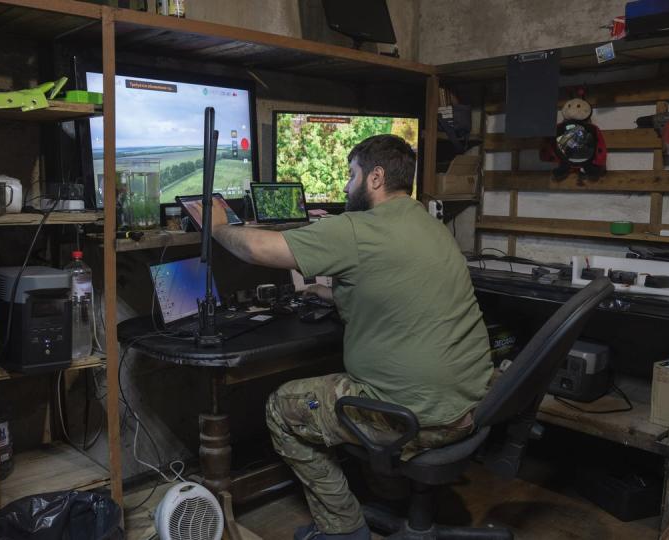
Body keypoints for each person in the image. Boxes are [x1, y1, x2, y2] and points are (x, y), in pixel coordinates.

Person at [210, 134, 493, 540]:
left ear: (375, 178)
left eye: (350, 175)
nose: (345, 186)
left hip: (417, 416)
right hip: (468, 404)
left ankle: (342, 530)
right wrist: (322, 292)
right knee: (346, 381)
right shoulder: (430, 225)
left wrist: (221, 226)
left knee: (281, 407)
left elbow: (257, 248)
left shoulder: (359, 229)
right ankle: (391, 493)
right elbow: (388, 283)